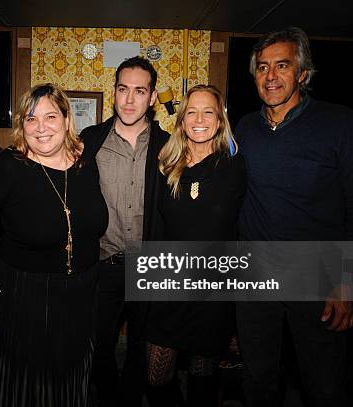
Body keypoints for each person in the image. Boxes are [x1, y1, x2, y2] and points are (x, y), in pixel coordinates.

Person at [235, 27, 353, 407]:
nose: (271, 76)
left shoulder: (340, 123)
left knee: (324, 385)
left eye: (282, 66)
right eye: (262, 67)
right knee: (258, 380)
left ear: (302, 73)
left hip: (319, 278)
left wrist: (351, 284)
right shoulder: (245, 129)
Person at [0, 83, 107, 407]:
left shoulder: (85, 162)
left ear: (67, 120)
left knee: (72, 375)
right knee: (25, 382)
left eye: (50, 116)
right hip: (28, 293)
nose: (41, 127)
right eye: (31, 118)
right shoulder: (9, 165)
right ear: (21, 125)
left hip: (82, 291)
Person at [144, 84, 245, 407]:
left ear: (220, 120)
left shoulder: (235, 168)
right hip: (169, 285)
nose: (199, 119)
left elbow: (241, 230)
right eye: (191, 112)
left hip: (212, 289)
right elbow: (157, 227)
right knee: (157, 377)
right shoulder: (165, 164)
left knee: (204, 377)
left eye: (208, 112)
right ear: (182, 119)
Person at [80, 56, 170, 406]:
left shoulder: (169, 145)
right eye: (123, 89)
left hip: (150, 265)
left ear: (151, 97)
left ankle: (131, 398)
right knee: (99, 344)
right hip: (104, 264)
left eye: (139, 91)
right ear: (113, 93)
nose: (130, 100)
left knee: (141, 346)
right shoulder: (90, 141)